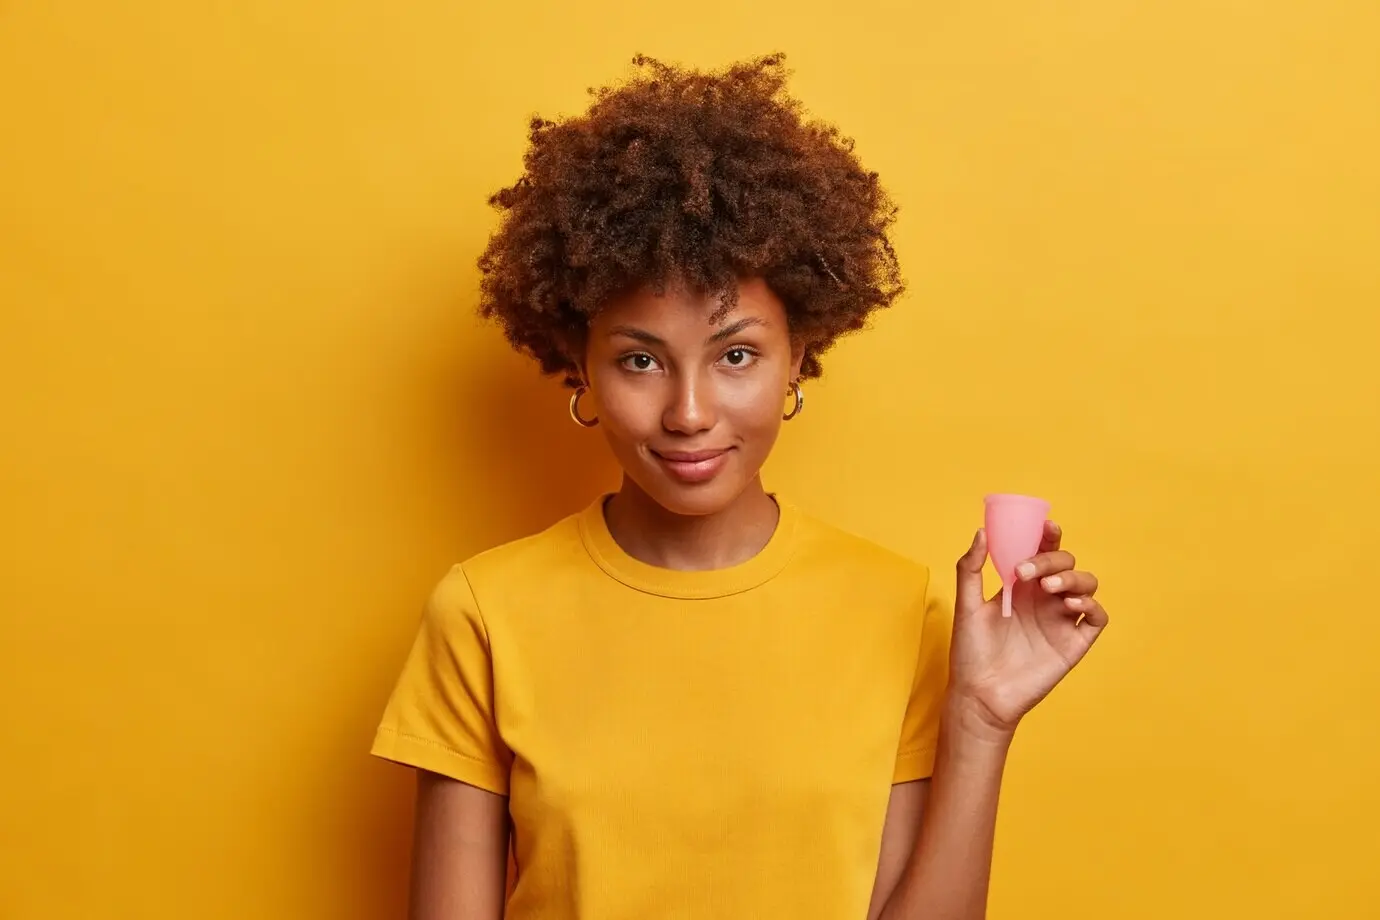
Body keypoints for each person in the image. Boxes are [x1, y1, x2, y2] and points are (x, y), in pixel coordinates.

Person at [370, 53, 1109, 920]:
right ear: (580, 363)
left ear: (799, 352)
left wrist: (980, 724)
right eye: (640, 360)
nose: (688, 412)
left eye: (735, 356)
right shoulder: (484, 614)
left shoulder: (904, 612)